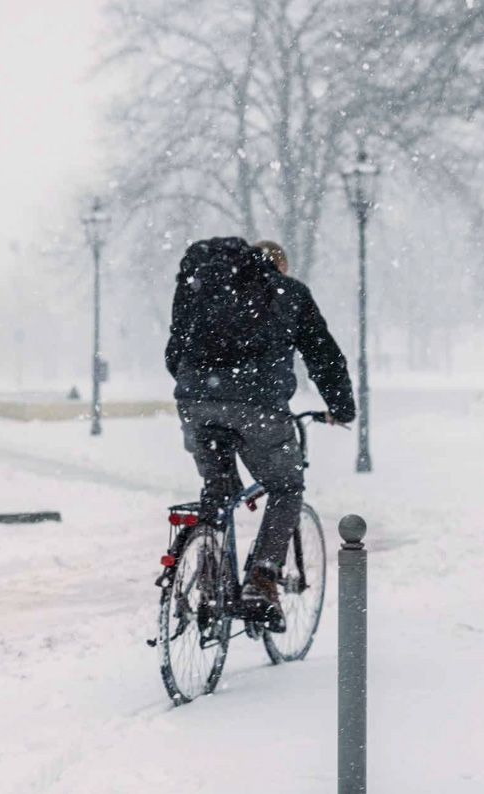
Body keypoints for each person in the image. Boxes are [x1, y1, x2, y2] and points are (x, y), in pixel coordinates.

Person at [165, 237, 355, 632]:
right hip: (258, 405)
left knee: (218, 494)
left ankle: (208, 566)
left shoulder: (204, 285)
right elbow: (323, 354)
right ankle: (262, 580)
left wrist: (204, 387)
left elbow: (174, 352)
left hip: (195, 400)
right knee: (286, 486)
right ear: (279, 268)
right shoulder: (288, 292)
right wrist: (341, 407)